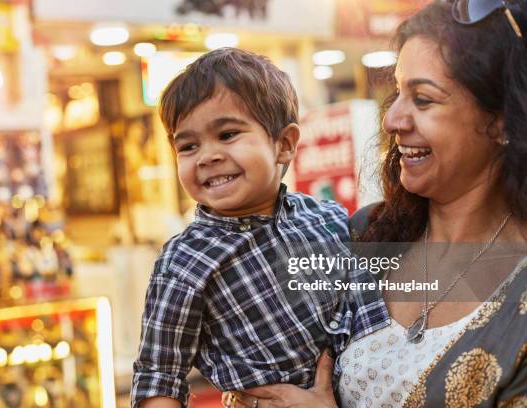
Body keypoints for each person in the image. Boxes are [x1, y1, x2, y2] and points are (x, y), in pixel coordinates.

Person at [227, 0, 527, 406]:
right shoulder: (363, 235)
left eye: (423, 100)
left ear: (502, 121)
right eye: (398, 92)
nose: (393, 119)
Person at [130, 48, 390, 407]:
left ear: (284, 144)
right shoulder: (185, 261)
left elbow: (372, 312)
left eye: (227, 135)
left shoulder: (327, 219)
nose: (207, 156)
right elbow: (158, 376)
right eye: (188, 145)